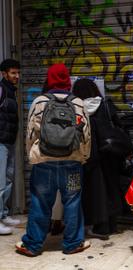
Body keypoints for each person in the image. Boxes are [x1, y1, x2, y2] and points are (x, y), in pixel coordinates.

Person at [15, 63, 91, 256]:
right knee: (73, 202)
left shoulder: (40, 101)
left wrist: (32, 156)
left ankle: (32, 245)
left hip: (44, 162)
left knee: (40, 202)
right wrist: (83, 157)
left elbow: (31, 133)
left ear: (49, 79)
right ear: (68, 80)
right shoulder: (78, 103)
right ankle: (73, 243)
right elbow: (86, 135)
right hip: (72, 162)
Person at [72, 78, 133, 240]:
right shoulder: (106, 105)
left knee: (94, 191)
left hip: (89, 155)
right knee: (111, 188)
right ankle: (111, 225)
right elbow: (119, 127)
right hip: (110, 153)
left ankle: (99, 226)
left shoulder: (76, 108)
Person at [0, 59, 21, 235]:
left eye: (17, 73)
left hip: (9, 141)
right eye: (13, 73)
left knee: (8, 179)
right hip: (0, 142)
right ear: (4, 73)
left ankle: (4, 215)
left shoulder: (11, 91)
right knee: (0, 182)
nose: (17, 76)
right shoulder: (1, 90)